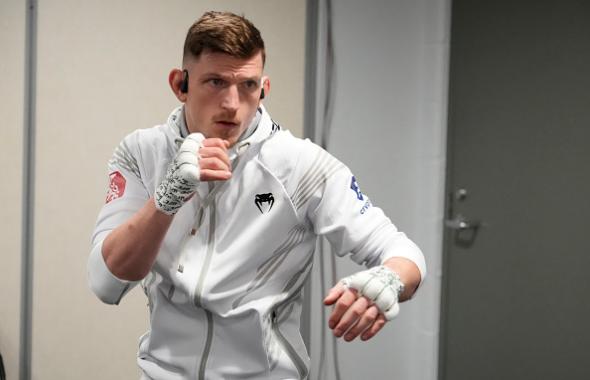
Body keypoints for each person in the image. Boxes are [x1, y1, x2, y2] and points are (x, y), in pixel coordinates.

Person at [88, 11, 426, 380]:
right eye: (215, 82)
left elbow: (405, 254)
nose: (232, 103)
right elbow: (107, 284)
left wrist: (389, 282)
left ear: (263, 88)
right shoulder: (141, 153)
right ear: (180, 84)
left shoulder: (301, 165)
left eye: (247, 85)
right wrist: (167, 197)